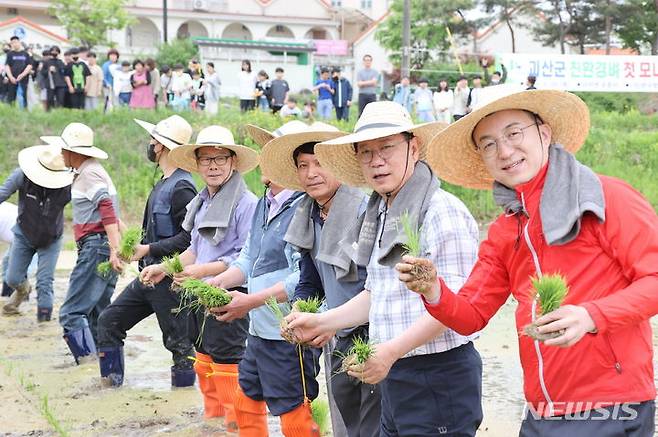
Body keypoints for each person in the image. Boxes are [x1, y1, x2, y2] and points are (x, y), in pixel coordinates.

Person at [414, 85, 658, 435]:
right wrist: (433, 290)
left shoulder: (606, 197)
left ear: (544, 133)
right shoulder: (505, 230)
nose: (505, 151)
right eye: (489, 144)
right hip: (540, 410)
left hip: (611, 405)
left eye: (514, 134)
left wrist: (591, 315)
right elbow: (471, 315)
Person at [287, 101, 483, 436]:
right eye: (366, 152)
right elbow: (376, 293)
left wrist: (390, 352)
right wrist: (322, 321)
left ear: (414, 146)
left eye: (387, 148)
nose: (377, 161)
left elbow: (458, 306)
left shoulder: (439, 211)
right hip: (394, 373)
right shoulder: (380, 213)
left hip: (436, 374)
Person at [259, 122, 383, 437]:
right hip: (336, 334)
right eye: (303, 166)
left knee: (373, 425)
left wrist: (328, 320)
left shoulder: (364, 213)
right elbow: (309, 279)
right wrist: (303, 309)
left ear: (339, 166)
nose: (312, 173)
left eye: (320, 163)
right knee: (346, 421)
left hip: (373, 334)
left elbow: (376, 286)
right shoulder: (310, 214)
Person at [206, 122, 320, 437]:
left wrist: (252, 301)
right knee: (246, 399)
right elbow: (246, 258)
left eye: (272, 153)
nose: (264, 160)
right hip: (258, 329)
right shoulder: (263, 204)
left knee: (294, 408)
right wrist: (218, 283)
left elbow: (306, 278)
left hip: (287, 332)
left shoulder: (305, 207)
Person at [141, 125, 258, 431]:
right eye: (206, 159)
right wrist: (165, 268)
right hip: (197, 295)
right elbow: (194, 250)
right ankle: (213, 423)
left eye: (220, 158)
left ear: (233, 162)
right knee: (204, 358)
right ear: (197, 164)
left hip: (228, 297)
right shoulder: (202, 202)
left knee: (228, 362)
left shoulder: (247, 204)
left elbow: (246, 258)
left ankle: (237, 426)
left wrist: (200, 272)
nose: (213, 165)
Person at [96, 115, 198, 388]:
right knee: (109, 321)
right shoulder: (162, 183)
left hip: (169, 280)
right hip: (147, 277)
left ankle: (185, 396)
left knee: (179, 345)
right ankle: (110, 385)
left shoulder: (183, 187)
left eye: (153, 139)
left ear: (162, 146)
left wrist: (148, 249)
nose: (149, 143)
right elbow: (152, 231)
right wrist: (132, 250)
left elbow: (190, 239)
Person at [41, 123, 121, 365]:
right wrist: (119, 247)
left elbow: (106, 206)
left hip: (96, 247)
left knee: (71, 313)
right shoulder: (94, 171)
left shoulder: (89, 173)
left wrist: (116, 249)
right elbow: (113, 213)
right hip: (102, 247)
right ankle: (106, 368)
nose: (61, 154)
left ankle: (86, 365)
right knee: (99, 313)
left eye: (63, 150)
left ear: (73, 151)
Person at [0, 145, 72, 321]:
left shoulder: (67, 185)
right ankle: (23, 290)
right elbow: (2, 192)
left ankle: (44, 321)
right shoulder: (22, 175)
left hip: (51, 239)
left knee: (44, 282)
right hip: (24, 234)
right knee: (12, 278)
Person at [4, 36, 33, 108]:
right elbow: (7, 66)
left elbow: (29, 66)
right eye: (12, 43)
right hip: (12, 79)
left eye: (15, 42)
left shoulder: (25, 54)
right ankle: (11, 112)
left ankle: (24, 111)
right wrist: (10, 77)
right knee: (11, 97)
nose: (14, 44)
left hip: (23, 79)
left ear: (19, 42)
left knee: (23, 96)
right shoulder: (10, 54)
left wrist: (22, 75)